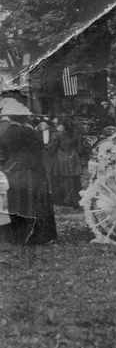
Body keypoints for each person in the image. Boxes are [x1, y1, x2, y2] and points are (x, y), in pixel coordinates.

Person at [0, 100, 58, 246]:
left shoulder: (7, 132)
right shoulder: (27, 131)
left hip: (12, 169)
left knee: (15, 201)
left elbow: (3, 152)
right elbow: (39, 146)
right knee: (36, 200)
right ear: (23, 118)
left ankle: (14, 235)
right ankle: (38, 235)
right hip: (30, 169)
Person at [50, 116, 83, 207]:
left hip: (60, 157)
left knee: (59, 179)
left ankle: (60, 199)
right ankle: (74, 199)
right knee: (73, 179)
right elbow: (80, 149)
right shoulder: (76, 133)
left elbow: (52, 147)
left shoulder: (57, 134)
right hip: (73, 157)